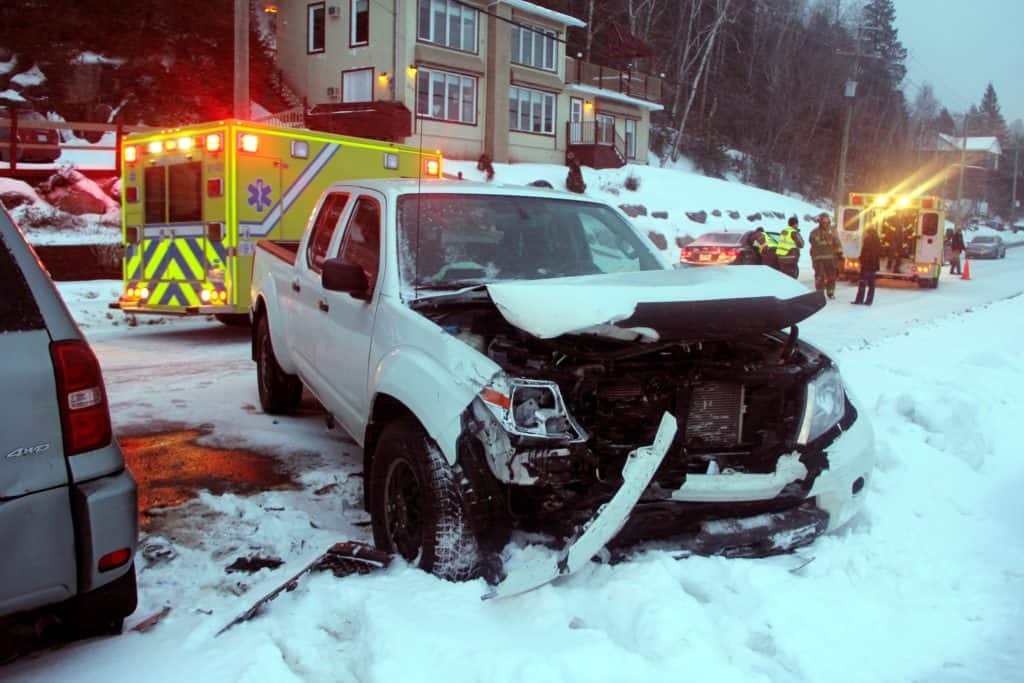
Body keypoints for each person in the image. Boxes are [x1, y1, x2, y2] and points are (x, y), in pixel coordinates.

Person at [809, 213, 840, 299]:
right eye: (823, 221)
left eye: (827, 221)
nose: (825, 223)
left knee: (832, 276)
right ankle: (819, 293)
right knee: (819, 277)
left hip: (831, 259)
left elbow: (837, 242)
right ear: (820, 221)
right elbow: (813, 243)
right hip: (818, 259)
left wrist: (839, 253)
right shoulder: (814, 232)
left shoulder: (833, 231)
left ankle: (830, 292)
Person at [852, 225, 881, 305]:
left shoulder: (867, 239)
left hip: (866, 265)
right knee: (872, 285)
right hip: (874, 266)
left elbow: (865, 252)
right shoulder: (878, 240)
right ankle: (869, 301)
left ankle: (859, 300)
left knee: (862, 283)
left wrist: (861, 259)